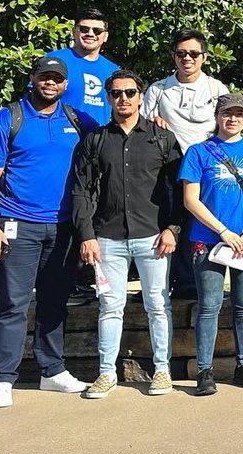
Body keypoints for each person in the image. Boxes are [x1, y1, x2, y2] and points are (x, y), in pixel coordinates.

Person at [0, 55, 97, 408]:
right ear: (33, 78)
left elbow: (108, 146)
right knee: (12, 303)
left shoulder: (78, 120)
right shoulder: (7, 119)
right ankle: (2, 379)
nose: (50, 83)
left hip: (64, 228)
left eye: (57, 79)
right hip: (16, 224)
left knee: (55, 301)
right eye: (44, 76)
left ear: (65, 85)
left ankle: (52, 371)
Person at [71, 69, 183, 399]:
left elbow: (181, 188)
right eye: (117, 93)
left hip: (153, 237)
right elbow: (81, 190)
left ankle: (162, 370)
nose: (124, 98)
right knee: (109, 306)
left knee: (158, 305)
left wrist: (173, 228)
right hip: (107, 237)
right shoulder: (95, 140)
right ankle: (106, 373)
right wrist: (86, 234)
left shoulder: (162, 138)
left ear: (141, 96)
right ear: (108, 98)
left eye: (130, 93)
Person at [180, 93, 243, 396]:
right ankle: (204, 370)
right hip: (208, 240)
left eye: (239, 114)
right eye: (227, 113)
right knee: (209, 305)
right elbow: (191, 199)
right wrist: (223, 231)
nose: (232, 119)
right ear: (217, 116)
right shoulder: (198, 152)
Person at [142, 28, 228, 298]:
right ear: (173, 56)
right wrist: (154, 123)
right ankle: (166, 284)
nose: (187, 58)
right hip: (169, 165)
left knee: (201, 224)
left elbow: (229, 126)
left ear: (204, 57)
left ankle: (197, 284)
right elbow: (142, 126)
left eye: (193, 53)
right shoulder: (158, 89)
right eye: (181, 53)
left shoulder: (216, 89)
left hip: (207, 165)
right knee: (169, 221)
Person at [49, 7, 118, 126]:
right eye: (84, 29)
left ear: (105, 36)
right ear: (74, 32)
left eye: (97, 31)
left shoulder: (113, 70)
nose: (90, 34)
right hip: (60, 133)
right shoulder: (55, 60)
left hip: (98, 135)